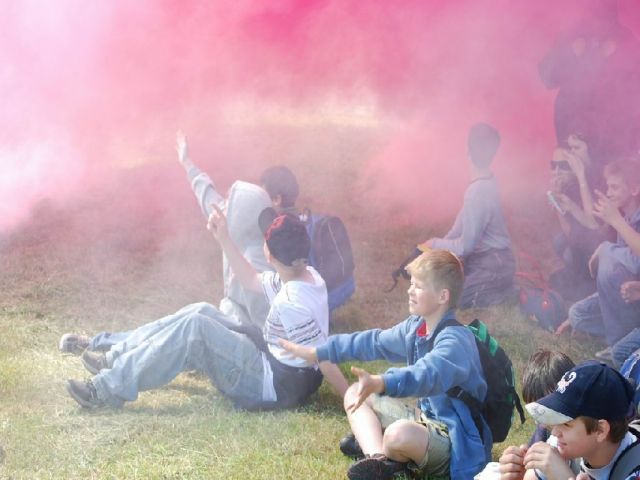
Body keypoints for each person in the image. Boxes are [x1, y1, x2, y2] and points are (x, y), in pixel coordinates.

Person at [65, 208, 348, 409]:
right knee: (201, 310)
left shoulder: (292, 302)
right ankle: (113, 355)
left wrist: (351, 398)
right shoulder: (306, 274)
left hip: (270, 384)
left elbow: (322, 356)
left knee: (195, 328)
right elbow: (250, 280)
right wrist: (223, 237)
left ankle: (105, 390)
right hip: (271, 360)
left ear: (270, 255)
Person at [280, 248, 491, 480]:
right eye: (411, 283)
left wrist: (383, 382)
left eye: (419, 286)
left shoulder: (456, 341)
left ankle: (384, 448)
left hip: (454, 440)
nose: (410, 290)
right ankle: (379, 461)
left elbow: (425, 375)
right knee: (354, 392)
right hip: (425, 420)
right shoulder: (416, 327)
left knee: (397, 435)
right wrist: (320, 352)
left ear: (443, 296)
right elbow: (375, 342)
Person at [420, 122, 516, 309]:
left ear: (468, 150)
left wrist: (434, 244)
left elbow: (465, 246)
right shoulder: (485, 181)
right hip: (485, 259)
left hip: (494, 262)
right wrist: (437, 251)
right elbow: (459, 228)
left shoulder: (478, 191)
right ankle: (497, 284)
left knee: (453, 299)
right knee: (441, 283)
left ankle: (504, 291)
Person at [556, 159, 640, 364]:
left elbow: (635, 262)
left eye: (615, 187)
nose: (609, 193)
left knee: (608, 260)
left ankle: (620, 342)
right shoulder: (625, 219)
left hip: (634, 299)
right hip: (627, 297)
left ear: (634, 189)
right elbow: (592, 228)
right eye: (608, 187)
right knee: (577, 314)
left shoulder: (626, 220)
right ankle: (621, 335)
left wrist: (606, 247)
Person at [524, 360, 639, 480]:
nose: (554, 432)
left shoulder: (634, 471)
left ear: (600, 430)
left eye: (566, 424)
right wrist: (517, 474)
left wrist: (563, 477)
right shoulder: (563, 444)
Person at [497, 350, 578, 480]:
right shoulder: (545, 430)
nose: (547, 424)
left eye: (552, 411)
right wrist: (521, 470)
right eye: (538, 414)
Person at [547, 143, 604, 302]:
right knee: (560, 241)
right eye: (553, 165)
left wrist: (581, 178)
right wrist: (558, 201)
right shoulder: (567, 187)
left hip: (600, 250)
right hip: (582, 246)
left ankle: (591, 281)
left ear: (575, 166)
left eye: (563, 166)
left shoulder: (591, 184)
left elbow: (593, 225)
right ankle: (578, 275)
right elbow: (569, 234)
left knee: (568, 254)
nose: (556, 171)